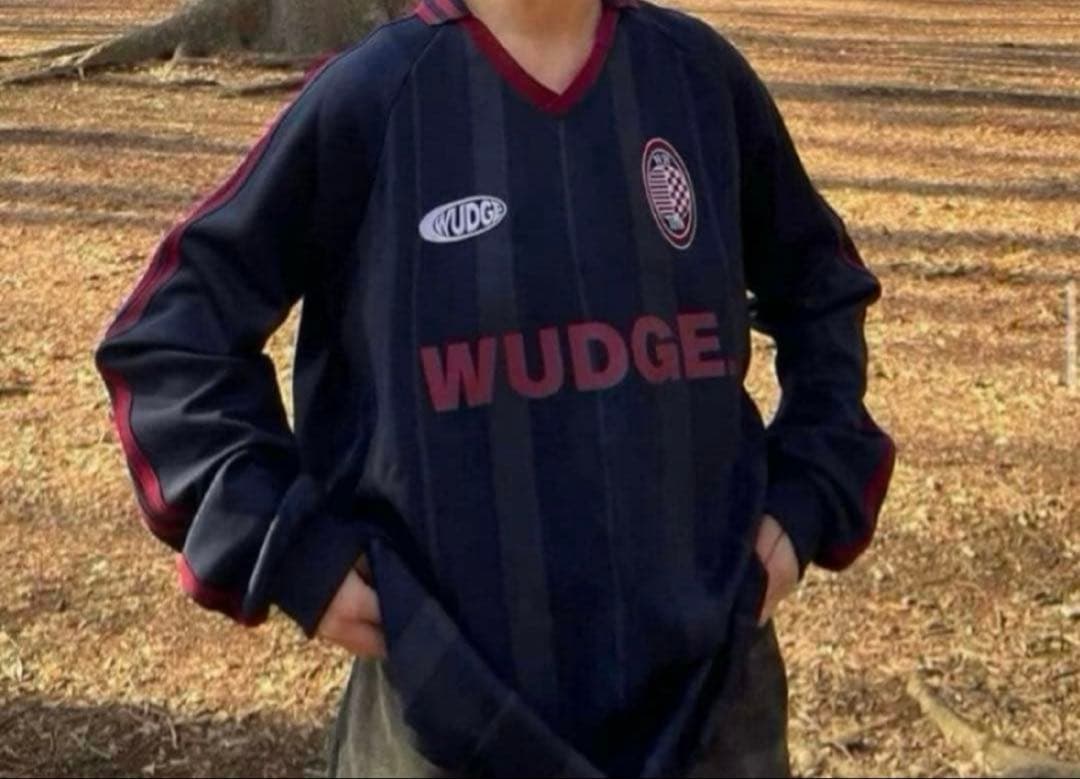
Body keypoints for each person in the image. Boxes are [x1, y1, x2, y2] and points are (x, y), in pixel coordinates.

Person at [95, 0, 896, 775]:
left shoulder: (698, 80)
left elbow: (822, 288)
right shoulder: (373, 98)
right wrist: (291, 546)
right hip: (445, 709)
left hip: (711, 701)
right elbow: (168, 339)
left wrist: (810, 486)